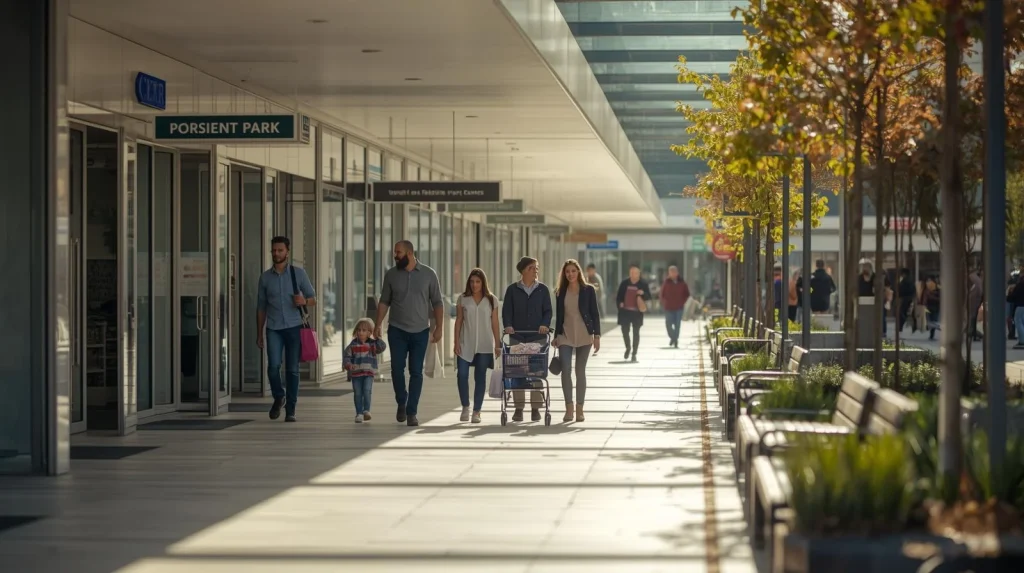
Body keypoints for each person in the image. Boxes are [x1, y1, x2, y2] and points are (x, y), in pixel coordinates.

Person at [374, 240, 444, 427]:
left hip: (421, 331)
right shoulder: (391, 275)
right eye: (395, 252)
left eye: (398, 252)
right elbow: (384, 301)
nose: (395, 255)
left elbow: (437, 302)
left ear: (410, 253)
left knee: (416, 372)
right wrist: (377, 324)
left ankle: (412, 412)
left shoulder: (429, 274)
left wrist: (439, 328)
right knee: (397, 369)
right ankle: (401, 401)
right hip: (396, 330)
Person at [257, 236, 316, 423]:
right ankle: (278, 396)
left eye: (280, 250)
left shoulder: (298, 274)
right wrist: (259, 333)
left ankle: (291, 409)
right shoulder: (265, 278)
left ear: (287, 252)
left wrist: (304, 301)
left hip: (294, 327)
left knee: (292, 369)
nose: (276, 253)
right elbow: (261, 307)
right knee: (273, 367)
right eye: (274, 250)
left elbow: (314, 298)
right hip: (273, 328)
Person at [502, 256, 553, 422]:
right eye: (532, 268)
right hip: (518, 337)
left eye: (536, 268)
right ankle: (519, 408)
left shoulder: (543, 290)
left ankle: (536, 408)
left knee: (536, 372)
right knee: (518, 372)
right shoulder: (512, 290)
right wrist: (508, 325)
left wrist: (545, 324)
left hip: (537, 337)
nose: (536, 270)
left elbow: (548, 311)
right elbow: (506, 311)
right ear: (523, 271)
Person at [554, 259, 601, 422]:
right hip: (565, 335)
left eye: (573, 271)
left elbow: (595, 314)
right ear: (564, 274)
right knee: (566, 370)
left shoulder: (588, 290)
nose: (570, 274)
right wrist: (556, 337)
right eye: (567, 272)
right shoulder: (560, 291)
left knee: (580, 371)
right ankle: (569, 408)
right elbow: (559, 316)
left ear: (578, 272)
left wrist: (597, 336)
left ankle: (580, 409)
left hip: (584, 334)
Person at [454, 268, 501, 424]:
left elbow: (495, 323)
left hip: (484, 344)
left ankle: (477, 411)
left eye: (478, 282)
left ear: (483, 283)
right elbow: (459, 321)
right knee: (461, 375)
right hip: (465, 343)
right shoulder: (463, 299)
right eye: (472, 281)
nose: (475, 285)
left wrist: (498, 344)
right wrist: (455, 342)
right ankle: (465, 406)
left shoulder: (492, 300)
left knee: (480, 378)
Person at [342, 318, 387, 423]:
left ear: (369, 333)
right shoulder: (353, 345)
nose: (361, 332)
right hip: (356, 374)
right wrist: (349, 365)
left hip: (368, 373)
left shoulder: (373, 344)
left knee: (367, 391)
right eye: (359, 330)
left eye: (364, 330)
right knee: (357, 393)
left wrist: (377, 337)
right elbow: (346, 357)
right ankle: (359, 413)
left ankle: (366, 410)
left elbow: (382, 347)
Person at [616, 264, 652, 363]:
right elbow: (618, 297)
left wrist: (643, 293)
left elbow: (649, 297)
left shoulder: (643, 284)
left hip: (637, 313)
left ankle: (634, 353)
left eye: (635, 272)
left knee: (636, 333)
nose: (633, 274)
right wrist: (620, 303)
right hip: (625, 312)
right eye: (631, 272)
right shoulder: (624, 283)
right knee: (625, 331)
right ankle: (628, 347)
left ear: (639, 273)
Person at [857, 258, 891, 337]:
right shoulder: (859, 278)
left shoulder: (876, 277)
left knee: (880, 316)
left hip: (876, 301)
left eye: (866, 267)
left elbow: (887, 287)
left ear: (870, 267)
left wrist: (887, 299)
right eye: (863, 267)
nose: (865, 268)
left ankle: (882, 332)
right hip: (863, 302)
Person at [659, 265, 690, 348]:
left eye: (674, 272)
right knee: (668, 324)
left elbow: (687, 294)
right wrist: (664, 302)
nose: (672, 273)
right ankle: (673, 337)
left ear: (677, 273)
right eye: (671, 272)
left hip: (679, 307)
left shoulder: (682, 282)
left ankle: (675, 340)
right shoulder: (666, 282)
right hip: (668, 307)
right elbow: (662, 294)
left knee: (677, 325)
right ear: (669, 273)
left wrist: (682, 302)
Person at [897, 268, 917, 333]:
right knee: (910, 313)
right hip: (910, 298)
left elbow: (901, 291)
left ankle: (900, 328)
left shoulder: (904, 282)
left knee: (902, 314)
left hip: (905, 299)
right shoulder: (911, 281)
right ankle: (914, 327)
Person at [922, 276, 941, 341]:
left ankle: (932, 333)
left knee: (934, 321)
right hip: (928, 307)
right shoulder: (927, 290)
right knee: (929, 321)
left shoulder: (938, 290)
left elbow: (940, 298)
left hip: (935, 307)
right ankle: (931, 332)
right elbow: (925, 298)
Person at [968, 266, 983, 341]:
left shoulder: (971, 277)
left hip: (972, 301)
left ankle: (972, 332)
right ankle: (973, 332)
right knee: (973, 318)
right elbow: (980, 291)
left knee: (972, 317)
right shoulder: (977, 279)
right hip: (976, 300)